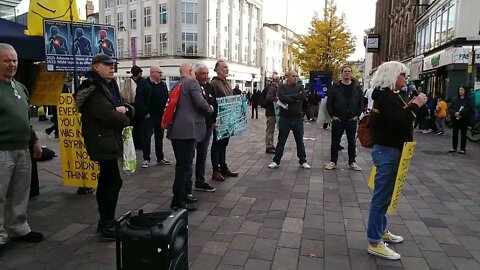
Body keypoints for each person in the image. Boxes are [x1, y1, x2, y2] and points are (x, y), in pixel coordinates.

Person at [367, 61, 427, 260]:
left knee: (385, 195)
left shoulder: (390, 96)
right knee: (381, 197)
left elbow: (404, 119)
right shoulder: (386, 97)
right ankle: (375, 241)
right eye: (402, 75)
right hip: (387, 151)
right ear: (393, 75)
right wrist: (415, 105)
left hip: (391, 150)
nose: (405, 78)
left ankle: (381, 230)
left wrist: (414, 107)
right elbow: (400, 122)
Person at [74, 53, 134, 241]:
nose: (112, 67)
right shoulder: (93, 87)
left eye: (113, 64)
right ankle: (107, 224)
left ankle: (106, 221)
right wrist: (125, 115)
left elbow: (122, 106)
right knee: (112, 181)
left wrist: (125, 110)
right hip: (101, 138)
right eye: (107, 65)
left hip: (108, 137)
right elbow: (108, 114)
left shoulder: (108, 84)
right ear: (96, 67)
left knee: (108, 180)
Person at [0, 43, 44, 257]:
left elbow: (26, 119)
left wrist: (34, 140)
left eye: (14, 60)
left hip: (22, 149)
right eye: (6, 60)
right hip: (2, 150)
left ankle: (18, 228)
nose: (12, 64)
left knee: (19, 191)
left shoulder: (20, 87)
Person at [167, 63, 213, 211]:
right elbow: (201, 103)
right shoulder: (191, 83)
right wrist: (210, 108)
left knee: (182, 165)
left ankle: (183, 195)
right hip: (187, 132)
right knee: (184, 167)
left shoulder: (177, 84)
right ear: (192, 71)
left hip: (177, 131)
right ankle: (177, 200)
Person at [267, 70, 311, 169]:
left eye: (296, 76)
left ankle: (303, 161)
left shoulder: (300, 86)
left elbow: (303, 96)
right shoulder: (282, 86)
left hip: (297, 118)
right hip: (285, 118)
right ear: (288, 77)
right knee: (281, 141)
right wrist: (296, 98)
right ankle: (276, 161)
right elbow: (282, 98)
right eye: (293, 76)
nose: (296, 78)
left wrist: (290, 98)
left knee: (300, 141)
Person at [324, 65, 363, 171]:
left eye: (349, 71)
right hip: (338, 119)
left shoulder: (356, 87)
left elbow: (361, 102)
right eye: (345, 71)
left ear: (351, 73)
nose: (347, 73)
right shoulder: (335, 87)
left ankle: (352, 162)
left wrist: (357, 115)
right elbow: (329, 103)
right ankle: (333, 161)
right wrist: (333, 115)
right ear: (341, 73)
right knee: (335, 141)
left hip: (351, 119)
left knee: (352, 142)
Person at [135, 66, 171, 168]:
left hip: (160, 115)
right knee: (147, 137)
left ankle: (160, 158)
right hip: (149, 116)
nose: (161, 74)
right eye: (159, 72)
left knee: (159, 137)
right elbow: (139, 99)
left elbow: (166, 98)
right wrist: (144, 113)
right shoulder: (144, 84)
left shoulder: (163, 85)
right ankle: (146, 159)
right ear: (152, 73)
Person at [210, 60, 239, 181]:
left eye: (227, 67)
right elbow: (212, 102)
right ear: (217, 70)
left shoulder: (226, 83)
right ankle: (215, 170)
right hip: (219, 119)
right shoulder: (214, 83)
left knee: (224, 144)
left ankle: (223, 167)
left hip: (228, 119)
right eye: (224, 67)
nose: (227, 69)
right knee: (217, 144)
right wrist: (213, 119)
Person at [192, 63, 217, 193]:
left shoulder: (209, 87)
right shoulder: (193, 87)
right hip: (194, 127)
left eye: (207, 74)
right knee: (190, 156)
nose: (205, 76)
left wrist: (213, 120)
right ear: (195, 74)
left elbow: (214, 104)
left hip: (207, 126)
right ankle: (186, 184)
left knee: (202, 155)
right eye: (202, 74)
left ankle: (200, 181)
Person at [448, 86, 474, 154]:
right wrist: (455, 113)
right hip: (455, 118)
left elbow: (469, 108)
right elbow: (450, 108)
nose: (461, 91)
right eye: (459, 90)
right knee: (455, 133)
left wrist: (460, 113)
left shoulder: (468, 99)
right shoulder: (455, 99)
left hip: (464, 118)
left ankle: (462, 149)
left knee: (463, 134)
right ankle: (454, 147)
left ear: (465, 90)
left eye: (462, 90)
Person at [265, 74, 280, 154]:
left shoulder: (275, 87)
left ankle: (271, 144)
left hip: (273, 111)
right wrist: (276, 98)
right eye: (279, 79)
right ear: (276, 80)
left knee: (271, 129)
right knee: (270, 130)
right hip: (271, 112)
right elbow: (268, 98)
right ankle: (269, 146)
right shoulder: (272, 87)